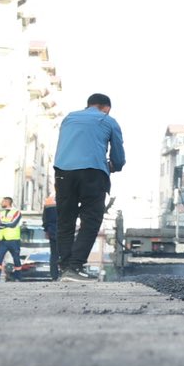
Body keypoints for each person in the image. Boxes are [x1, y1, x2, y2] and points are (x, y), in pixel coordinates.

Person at [53, 92, 125, 282]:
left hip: (63, 172)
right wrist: (113, 166)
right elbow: (118, 159)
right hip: (93, 173)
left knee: (65, 220)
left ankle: (65, 267)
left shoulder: (69, 118)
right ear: (106, 108)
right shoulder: (108, 121)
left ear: (89, 105)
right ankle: (75, 266)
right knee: (91, 220)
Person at [0, 197, 25, 281]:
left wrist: (3, 224)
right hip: (2, 240)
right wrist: (7, 224)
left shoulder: (16, 212)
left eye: (3, 201)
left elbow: (13, 224)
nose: (1, 203)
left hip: (13, 240)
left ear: (7, 202)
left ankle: (18, 277)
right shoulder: (1, 213)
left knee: (16, 259)